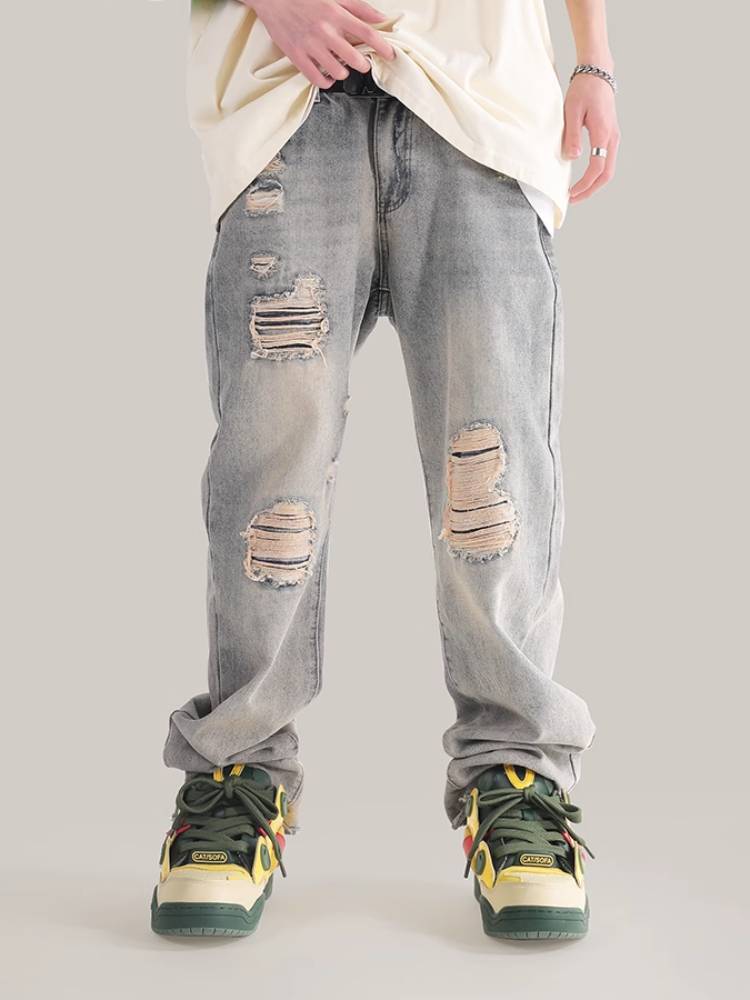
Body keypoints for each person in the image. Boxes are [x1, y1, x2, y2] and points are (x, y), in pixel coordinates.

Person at [151, 0, 619, 940]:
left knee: (493, 475)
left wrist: (594, 57)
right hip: (285, 98)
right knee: (269, 476)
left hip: (479, 99)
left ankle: (517, 777)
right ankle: (237, 774)